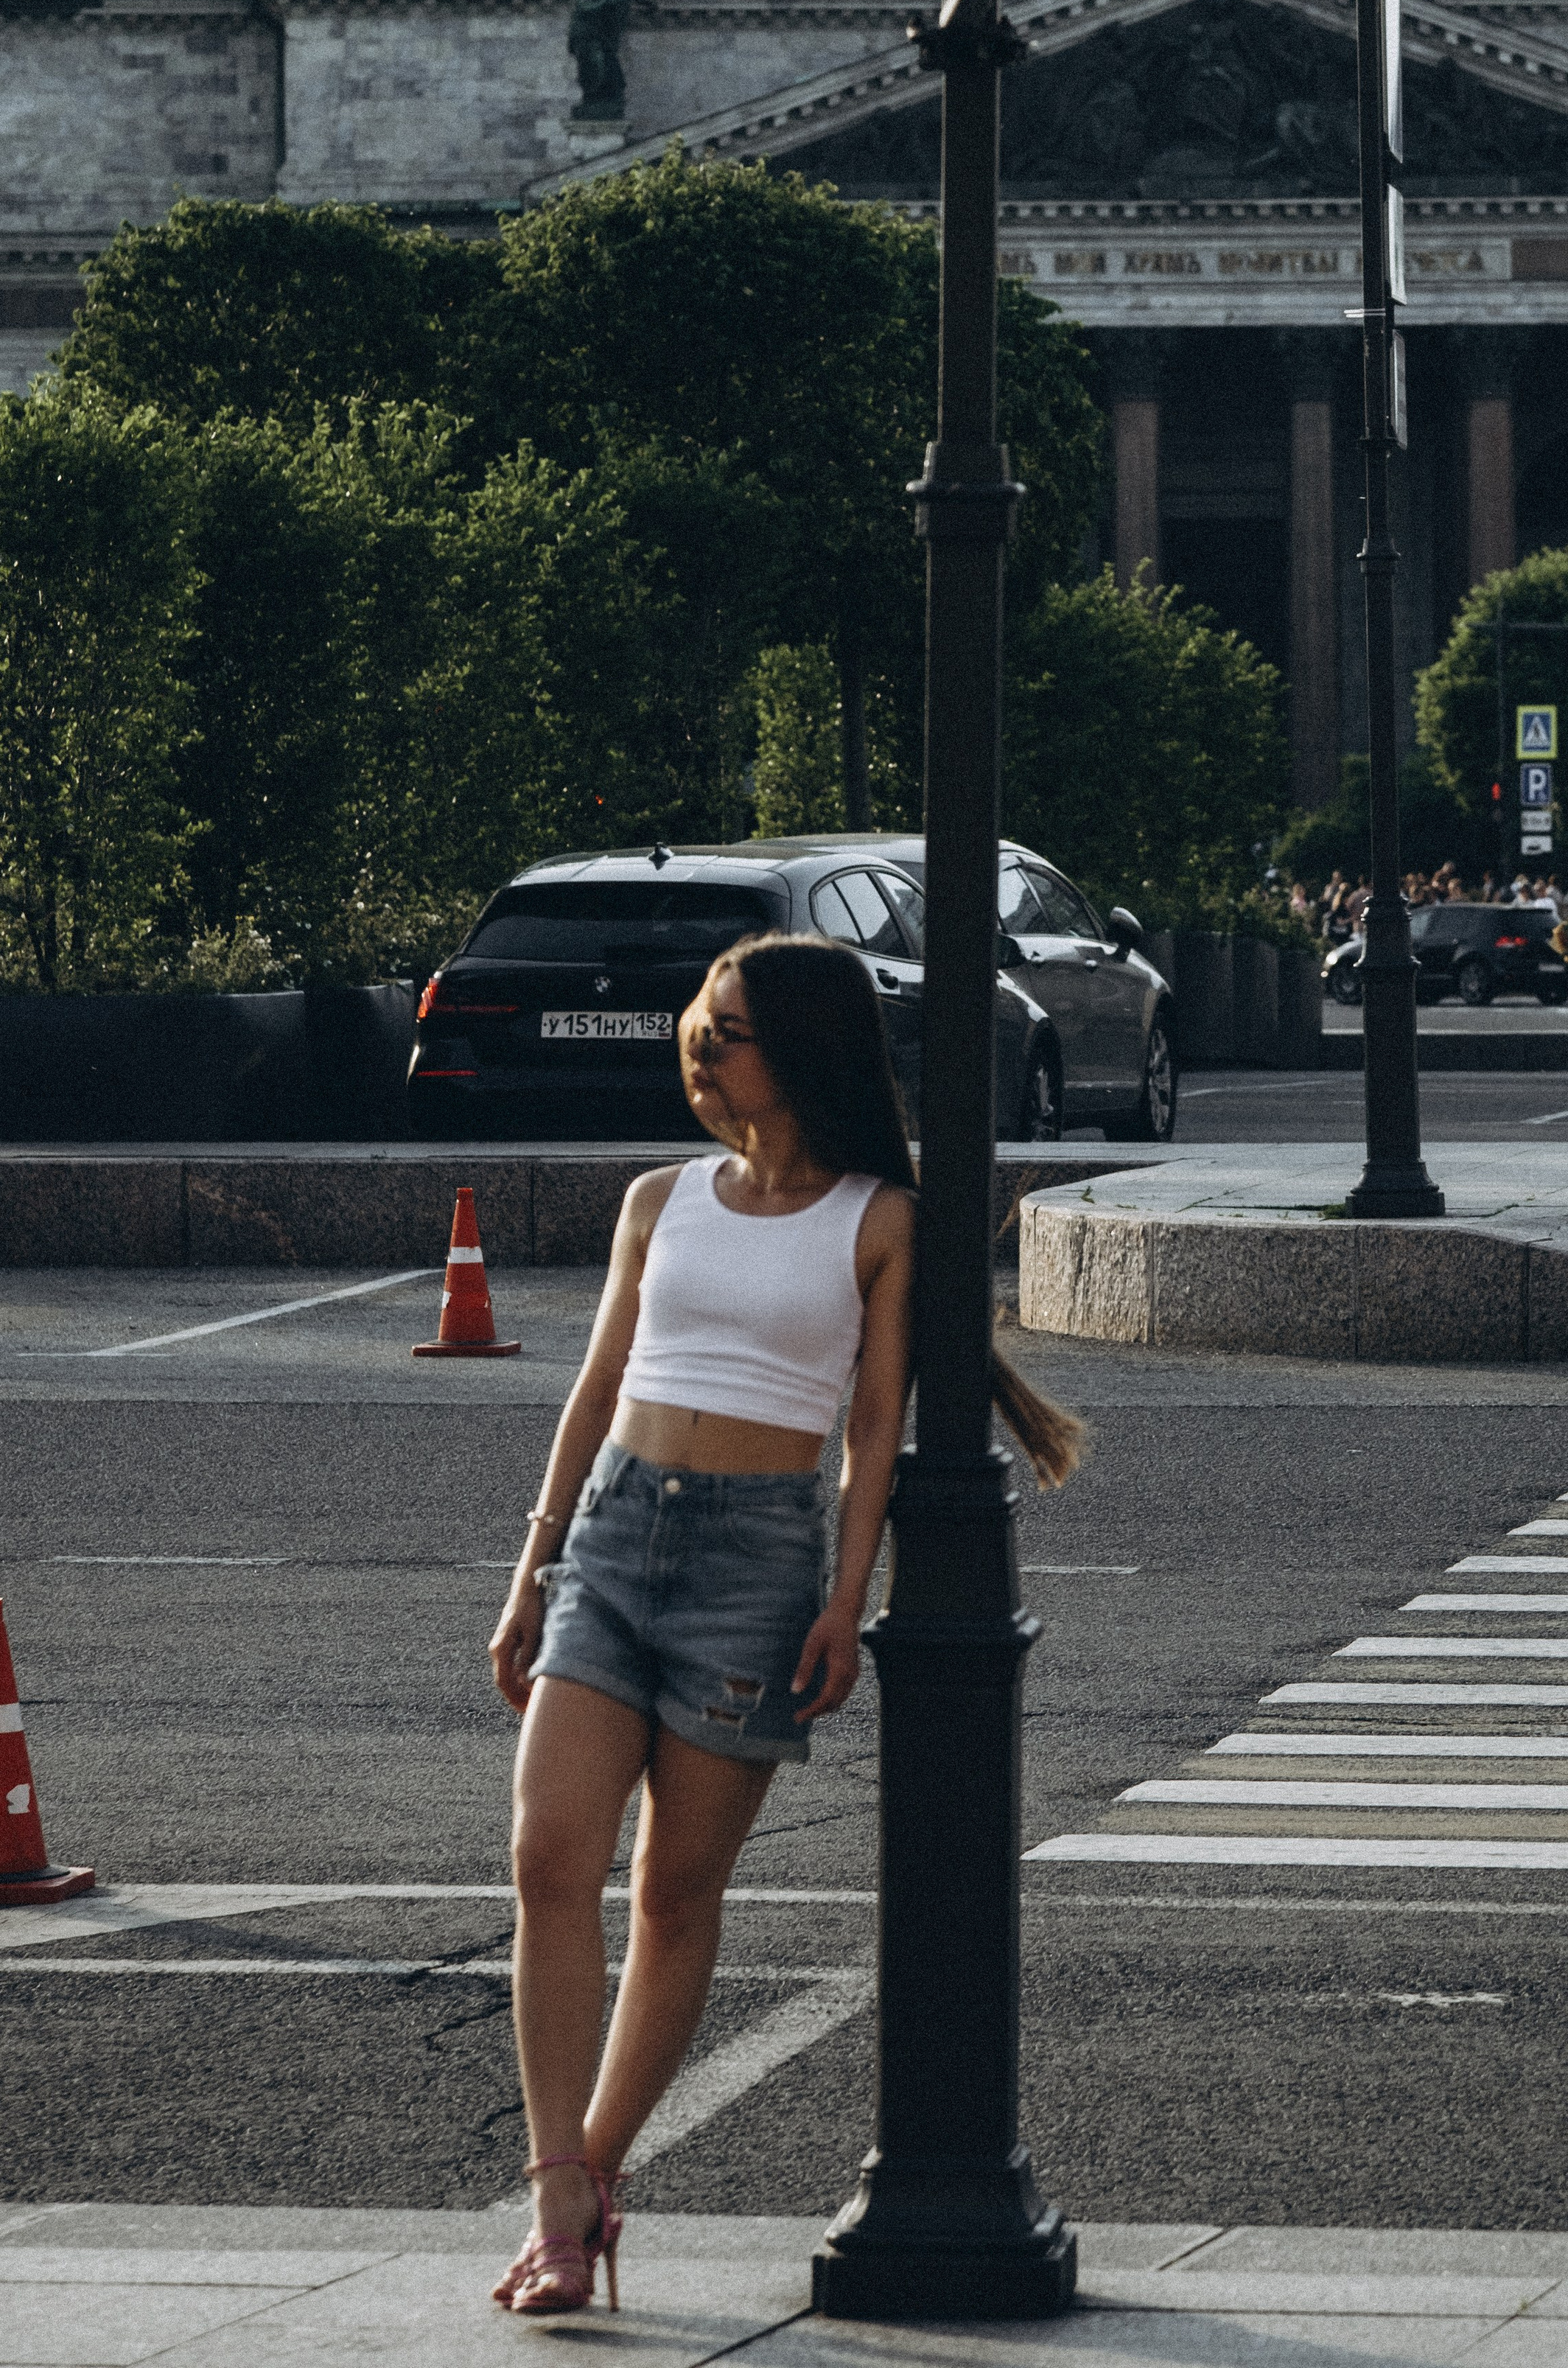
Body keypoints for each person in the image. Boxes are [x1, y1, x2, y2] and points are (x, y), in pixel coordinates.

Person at [486, 935, 1082, 2316]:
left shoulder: (879, 1220)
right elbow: (596, 1385)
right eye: (700, 1021)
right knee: (547, 1856)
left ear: (803, 1052)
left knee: (675, 1894)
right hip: (613, 1539)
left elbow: (873, 1426)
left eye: (730, 1030)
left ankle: (596, 2175)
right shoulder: (659, 1199)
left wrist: (845, 1596)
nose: (700, 1047)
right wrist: (533, 1563)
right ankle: (557, 2188)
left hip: (756, 1563)